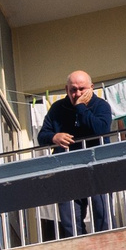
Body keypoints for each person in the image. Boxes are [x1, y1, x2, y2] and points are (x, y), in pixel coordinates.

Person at [38, 71, 117, 238]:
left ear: (91, 88)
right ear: (66, 89)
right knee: (70, 221)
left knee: (102, 212)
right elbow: (42, 136)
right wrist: (54, 137)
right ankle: (79, 247)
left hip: (98, 166)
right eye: (73, 90)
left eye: (82, 89)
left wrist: (81, 107)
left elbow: (101, 130)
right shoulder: (57, 109)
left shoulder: (101, 105)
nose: (77, 93)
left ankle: (106, 244)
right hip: (68, 170)